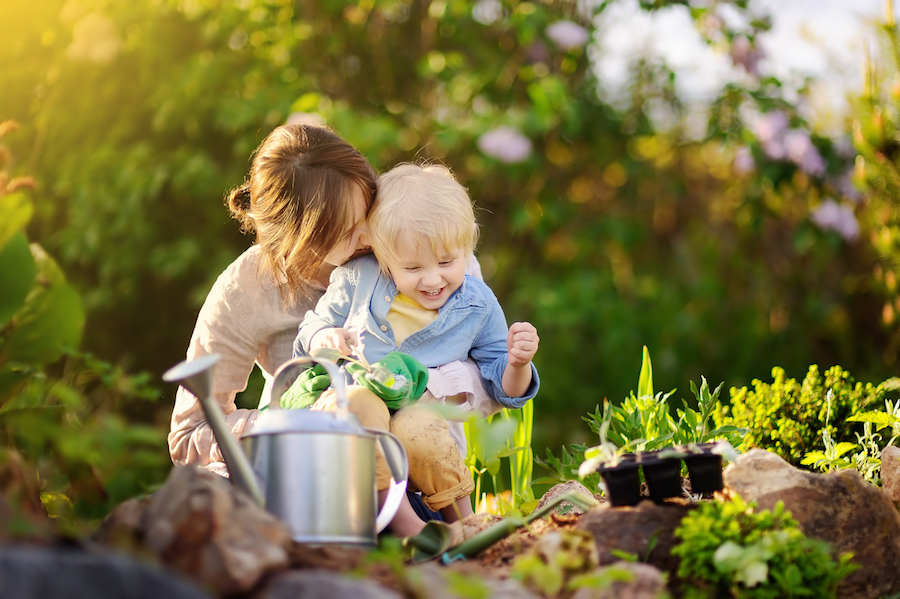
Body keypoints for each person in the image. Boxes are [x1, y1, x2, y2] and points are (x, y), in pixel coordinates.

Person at [167, 124, 496, 526]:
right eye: (346, 230)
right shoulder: (248, 286)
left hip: (423, 481)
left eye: (368, 209)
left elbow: (492, 367)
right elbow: (190, 433)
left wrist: (420, 389)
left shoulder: (416, 239)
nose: (371, 236)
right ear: (296, 240)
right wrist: (288, 424)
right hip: (315, 481)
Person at [293, 162, 541, 536]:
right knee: (360, 402)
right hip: (353, 412)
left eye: (445, 262)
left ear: (466, 248)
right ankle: (399, 522)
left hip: (419, 425)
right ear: (384, 258)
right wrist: (322, 338)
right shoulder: (359, 278)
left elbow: (502, 388)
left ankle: (467, 524)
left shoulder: (477, 306)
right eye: (412, 267)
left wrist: (518, 364)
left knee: (418, 422)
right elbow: (310, 327)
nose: (431, 279)